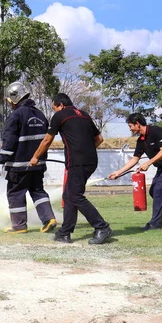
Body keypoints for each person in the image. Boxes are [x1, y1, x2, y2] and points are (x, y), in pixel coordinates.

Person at [29, 93, 112, 244]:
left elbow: (48, 139)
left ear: (60, 105)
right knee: (68, 196)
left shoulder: (60, 115)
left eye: (54, 108)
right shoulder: (84, 115)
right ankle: (65, 233)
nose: (54, 111)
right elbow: (99, 139)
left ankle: (102, 227)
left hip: (77, 162)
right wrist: (86, 150)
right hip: (91, 160)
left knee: (75, 196)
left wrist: (35, 157)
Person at [109, 113, 162, 230]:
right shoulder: (140, 141)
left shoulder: (156, 131)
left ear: (137, 124)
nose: (130, 129)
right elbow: (135, 159)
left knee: (159, 189)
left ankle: (155, 223)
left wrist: (148, 163)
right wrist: (118, 172)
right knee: (154, 191)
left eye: (130, 126)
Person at [0, 82, 57, 234]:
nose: (9, 104)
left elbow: (9, 139)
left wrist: (2, 160)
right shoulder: (41, 115)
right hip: (38, 164)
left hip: (19, 166)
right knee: (37, 191)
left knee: (15, 193)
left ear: (14, 99)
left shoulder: (16, 115)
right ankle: (49, 218)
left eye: (10, 101)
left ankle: (19, 226)